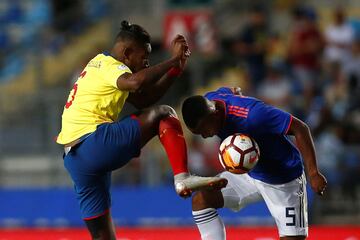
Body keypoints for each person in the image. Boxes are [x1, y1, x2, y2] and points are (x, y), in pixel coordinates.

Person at [56, 21, 227, 240]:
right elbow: (137, 83)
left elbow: (144, 98)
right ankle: (182, 177)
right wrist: (172, 59)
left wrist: (175, 70)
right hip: (93, 143)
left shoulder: (101, 67)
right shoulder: (110, 66)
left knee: (102, 236)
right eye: (144, 56)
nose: (147, 62)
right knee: (164, 113)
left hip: (76, 159)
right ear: (126, 53)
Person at [181, 87, 327, 240]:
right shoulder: (212, 99)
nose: (205, 136)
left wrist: (313, 173)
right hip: (248, 173)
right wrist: (237, 92)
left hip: (284, 180)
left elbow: (300, 128)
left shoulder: (255, 115)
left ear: (214, 114)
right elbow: (231, 90)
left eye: (204, 130)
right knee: (201, 200)